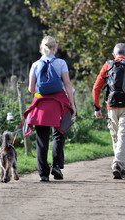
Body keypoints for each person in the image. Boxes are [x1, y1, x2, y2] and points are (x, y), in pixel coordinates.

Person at [26, 35, 76, 182]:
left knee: (42, 139)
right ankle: (56, 166)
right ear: (55, 48)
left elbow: (31, 88)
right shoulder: (61, 63)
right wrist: (72, 105)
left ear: (41, 48)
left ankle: (43, 173)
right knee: (59, 134)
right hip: (58, 104)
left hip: (41, 105)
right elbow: (67, 84)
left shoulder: (35, 65)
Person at [92, 43, 125, 179]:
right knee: (124, 136)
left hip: (111, 107)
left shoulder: (107, 66)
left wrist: (97, 108)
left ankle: (122, 168)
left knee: (116, 137)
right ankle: (118, 164)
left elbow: (96, 88)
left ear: (114, 55)